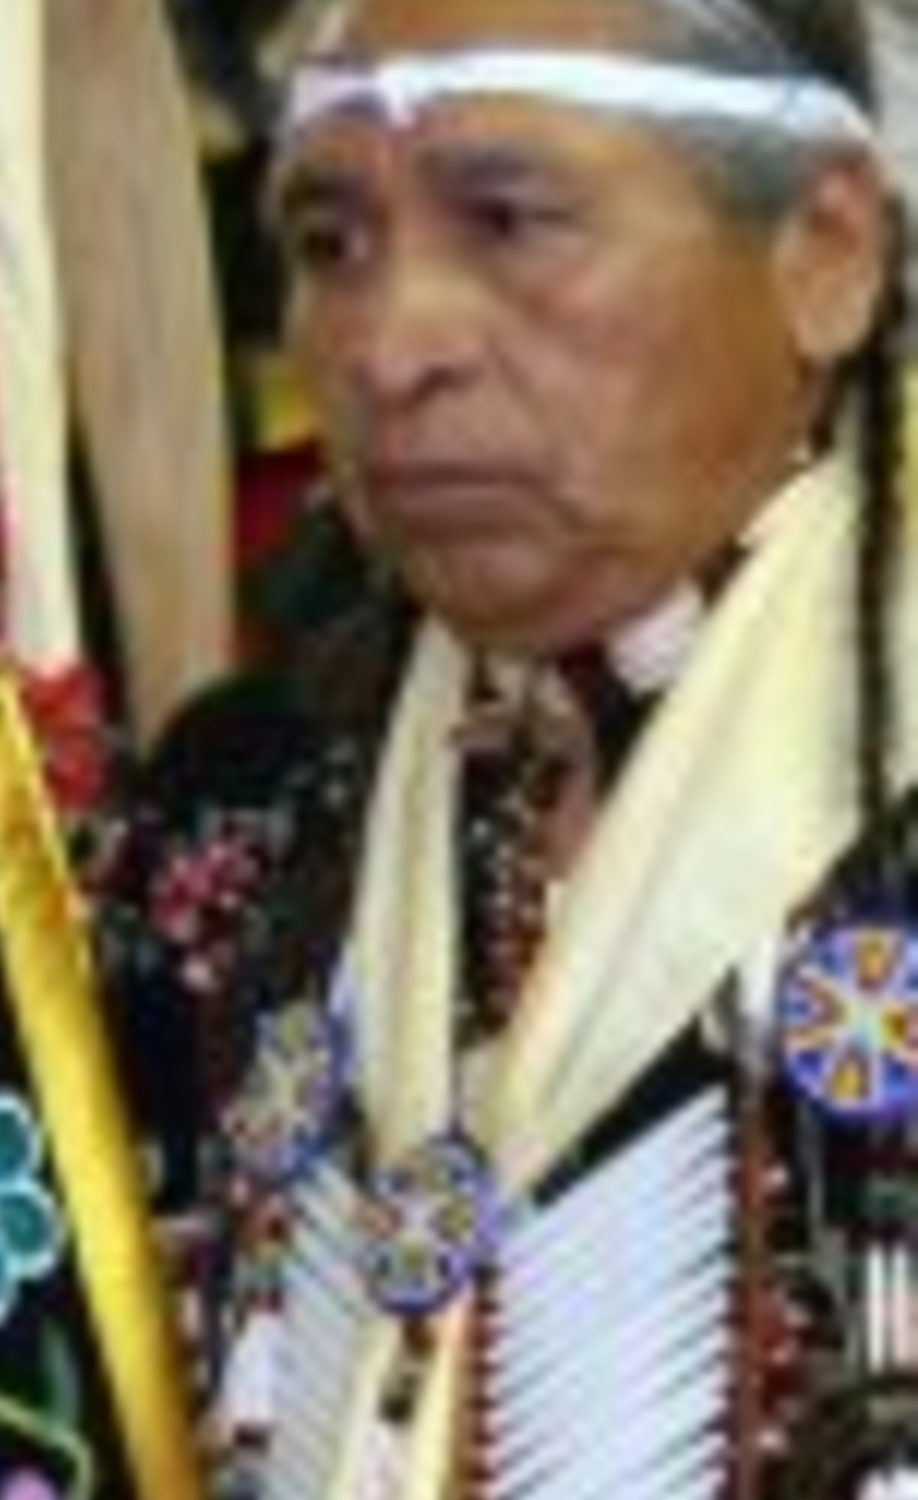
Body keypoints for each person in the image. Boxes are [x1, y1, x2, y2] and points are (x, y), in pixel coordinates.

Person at [99, 0, 918, 1493]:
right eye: (331, 243)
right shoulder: (247, 824)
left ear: (827, 255)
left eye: (509, 219)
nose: (392, 346)